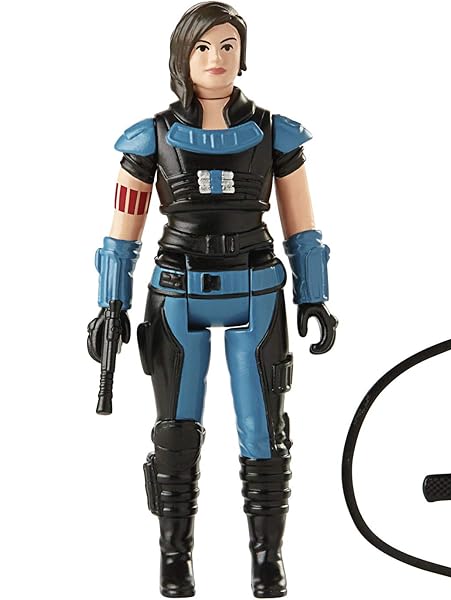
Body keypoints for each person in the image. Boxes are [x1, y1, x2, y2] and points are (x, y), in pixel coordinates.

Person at [87, 2, 337, 598]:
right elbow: (123, 231)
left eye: (228, 45)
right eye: (203, 46)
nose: (216, 58)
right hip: (177, 291)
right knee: (175, 429)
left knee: (264, 430)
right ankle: (174, 557)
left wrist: (314, 295)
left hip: (257, 290)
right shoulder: (150, 136)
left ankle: (267, 558)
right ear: (183, 55)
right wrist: (110, 304)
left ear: (242, 55)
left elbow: (302, 225)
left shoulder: (275, 133)